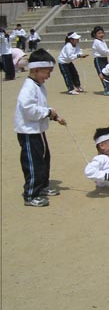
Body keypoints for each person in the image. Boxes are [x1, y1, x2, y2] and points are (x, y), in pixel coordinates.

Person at [14, 49, 67, 207]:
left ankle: (43, 186)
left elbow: (41, 107)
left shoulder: (39, 85)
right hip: (28, 132)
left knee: (44, 159)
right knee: (33, 163)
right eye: (47, 72)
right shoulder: (28, 87)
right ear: (36, 70)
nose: (48, 76)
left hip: (38, 130)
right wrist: (48, 112)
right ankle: (30, 195)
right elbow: (29, 110)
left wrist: (54, 116)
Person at [92, 26, 109, 96]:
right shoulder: (96, 42)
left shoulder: (102, 41)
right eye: (99, 33)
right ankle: (107, 90)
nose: (101, 35)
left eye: (102, 33)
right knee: (102, 74)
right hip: (98, 60)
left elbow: (105, 51)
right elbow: (103, 51)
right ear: (95, 34)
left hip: (104, 59)